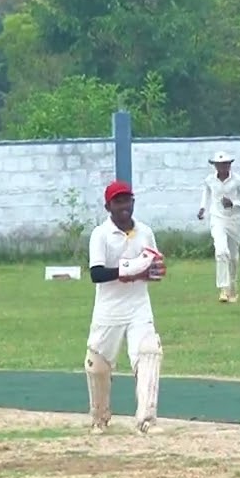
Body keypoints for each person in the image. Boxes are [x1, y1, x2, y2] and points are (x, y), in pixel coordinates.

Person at [85, 180, 166, 434]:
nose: (124, 206)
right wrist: (128, 271)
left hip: (139, 306)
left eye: (127, 201)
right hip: (109, 309)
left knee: (149, 353)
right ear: (108, 206)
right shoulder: (100, 234)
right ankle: (99, 418)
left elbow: (155, 265)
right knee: (98, 365)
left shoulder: (145, 232)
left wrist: (155, 271)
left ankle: (146, 420)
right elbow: (96, 274)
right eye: (118, 202)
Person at [197, 151, 240, 303]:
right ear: (214, 166)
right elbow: (206, 194)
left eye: (225, 164)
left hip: (234, 220)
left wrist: (234, 203)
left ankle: (232, 288)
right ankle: (223, 289)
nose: (222, 167)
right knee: (221, 252)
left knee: (233, 257)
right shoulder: (209, 180)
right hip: (217, 218)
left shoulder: (238, 181)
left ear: (229, 165)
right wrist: (203, 208)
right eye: (219, 165)